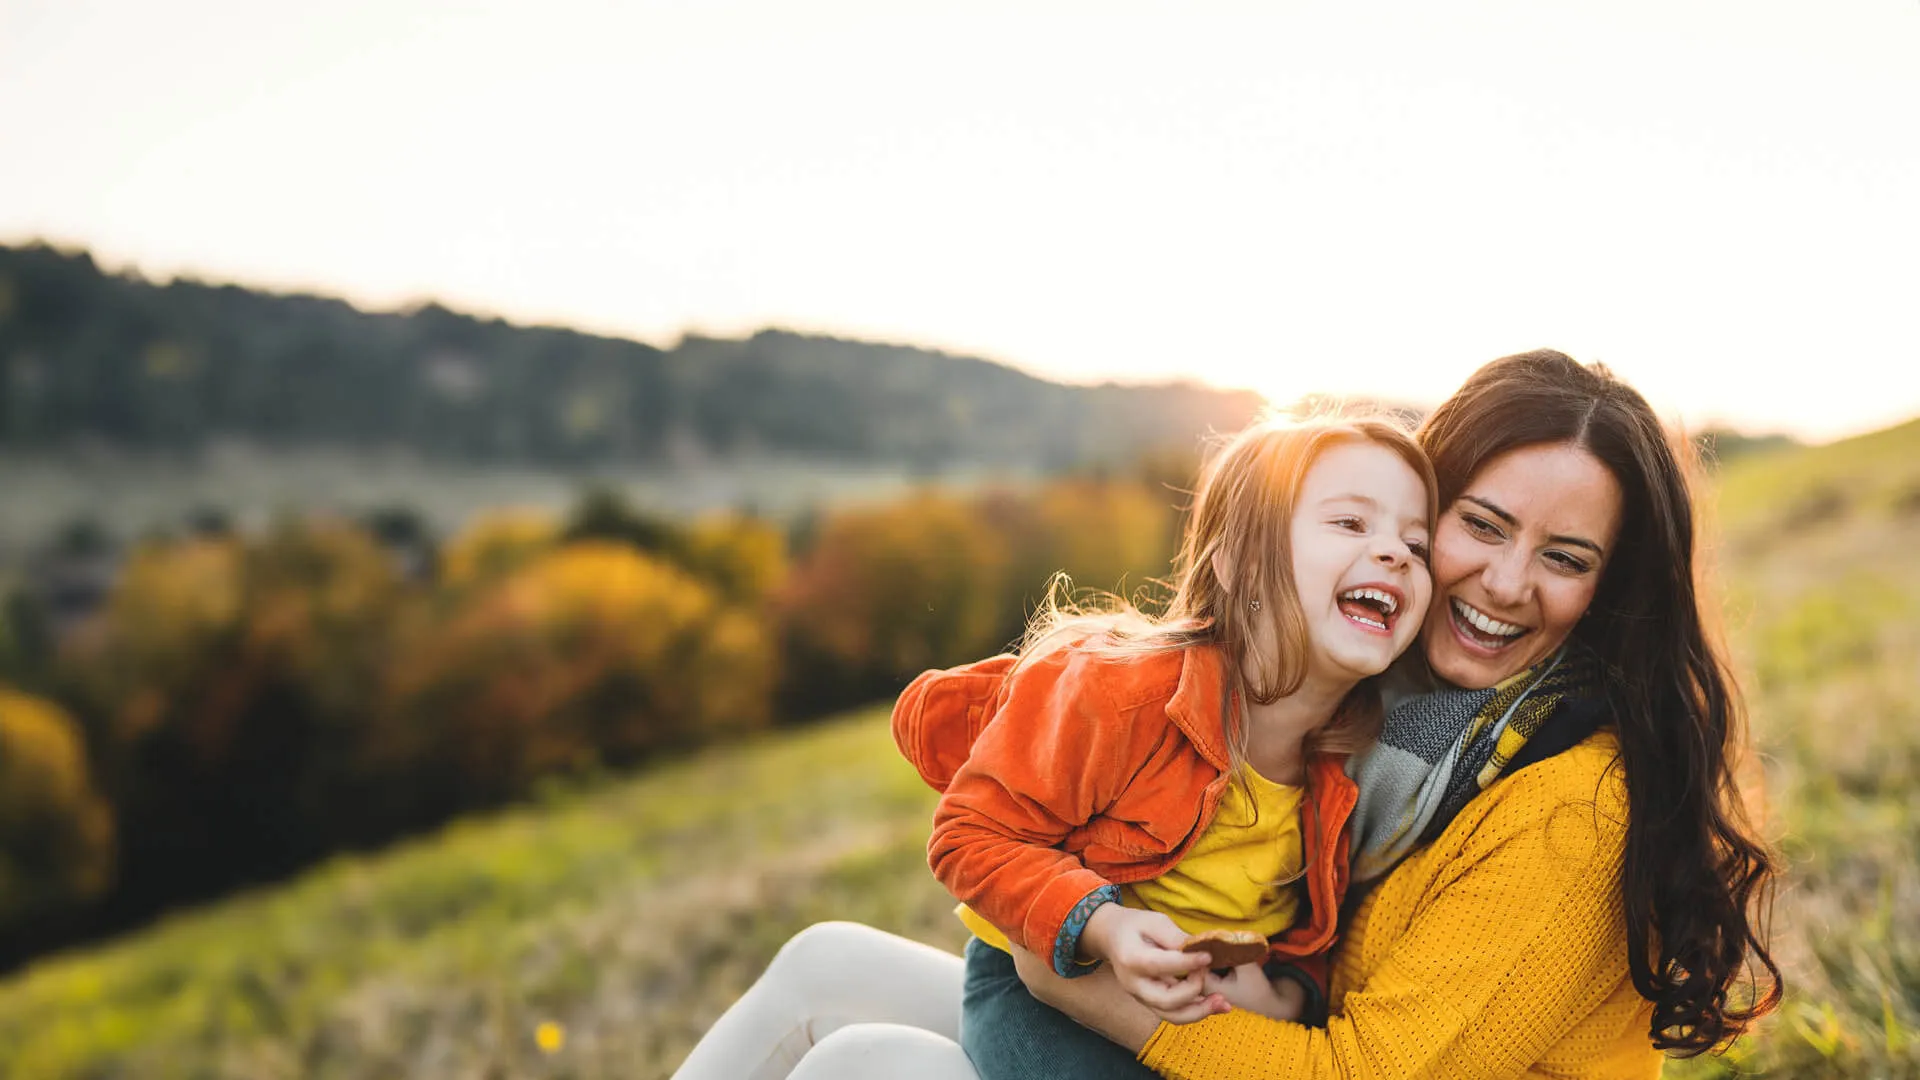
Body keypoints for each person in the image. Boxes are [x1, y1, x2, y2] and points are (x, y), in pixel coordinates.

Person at [670, 349, 1781, 1080]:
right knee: (824, 964)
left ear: (1611, 591)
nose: (1503, 582)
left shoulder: (1564, 800)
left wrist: (1081, 963)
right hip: (1214, 1025)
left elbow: (1362, 1070)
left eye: (1565, 558)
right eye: (1479, 525)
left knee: (869, 1065)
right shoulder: (1389, 716)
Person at [895, 415, 1435, 1080]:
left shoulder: (1353, 763)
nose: (1397, 553)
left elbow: (1304, 933)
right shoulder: (1122, 693)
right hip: (1046, 987)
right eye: (1351, 524)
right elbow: (969, 834)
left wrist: (1285, 993)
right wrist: (1103, 927)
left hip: (1201, 1022)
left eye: (1419, 542)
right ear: (1239, 566)